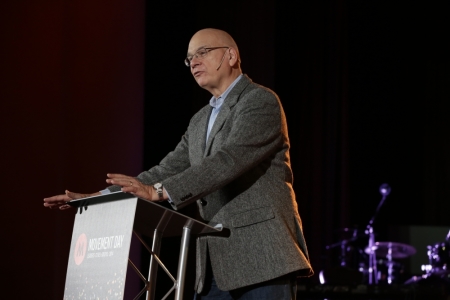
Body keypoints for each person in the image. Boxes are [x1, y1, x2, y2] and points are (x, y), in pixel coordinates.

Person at [44, 28, 313, 300]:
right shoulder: (199, 120)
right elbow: (165, 170)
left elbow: (229, 160)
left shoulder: (259, 100)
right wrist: (98, 199)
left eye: (203, 52)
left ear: (231, 56)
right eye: (189, 58)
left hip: (261, 259)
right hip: (211, 268)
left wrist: (160, 191)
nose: (194, 62)